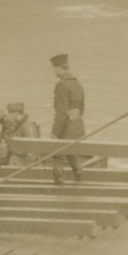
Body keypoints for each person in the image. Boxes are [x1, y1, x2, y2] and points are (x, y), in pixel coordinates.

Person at [49, 53, 85, 184]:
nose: (53, 71)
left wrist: (55, 133)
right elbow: (82, 109)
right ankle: (79, 181)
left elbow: (61, 113)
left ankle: (58, 186)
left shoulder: (62, 85)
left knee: (57, 155)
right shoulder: (78, 83)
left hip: (65, 128)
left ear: (58, 68)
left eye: (53, 69)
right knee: (73, 155)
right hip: (77, 126)